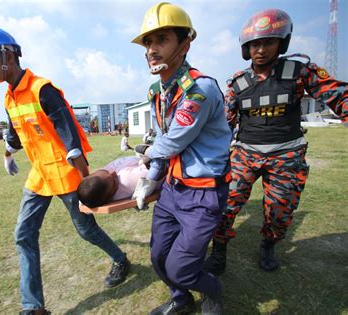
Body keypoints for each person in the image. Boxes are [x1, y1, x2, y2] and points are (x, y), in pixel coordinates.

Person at [0, 27, 130, 315]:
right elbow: (15, 137)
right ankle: (33, 307)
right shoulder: (9, 99)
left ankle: (120, 258)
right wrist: (7, 155)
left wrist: (87, 182)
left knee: (86, 230)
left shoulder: (42, 89)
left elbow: (71, 141)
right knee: (24, 234)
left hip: (66, 173)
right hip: (39, 176)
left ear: (7, 54)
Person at [204, 9, 347, 276]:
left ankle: (268, 245)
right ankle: (219, 250)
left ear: (282, 43)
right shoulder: (238, 83)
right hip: (245, 153)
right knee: (225, 203)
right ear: (246, 49)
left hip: (286, 155)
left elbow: (338, 95)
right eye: (255, 44)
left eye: (268, 42)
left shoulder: (299, 72)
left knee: (280, 210)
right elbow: (225, 124)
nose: (261, 50)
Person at [131, 3, 232, 314]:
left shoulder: (199, 89)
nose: (151, 50)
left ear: (184, 44)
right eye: (148, 42)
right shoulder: (159, 91)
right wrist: (152, 180)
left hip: (203, 194)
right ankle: (181, 298)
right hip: (174, 190)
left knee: (182, 268)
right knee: (158, 257)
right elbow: (163, 138)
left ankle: (212, 291)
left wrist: (147, 154)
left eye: (161, 40)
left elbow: (174, 140)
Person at [77, 155, 162, 208]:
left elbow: (89, 190)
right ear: (110, 198)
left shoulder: (104, 186)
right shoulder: (126, 180)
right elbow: (159, 165)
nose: (113, 173)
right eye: (113, 181)